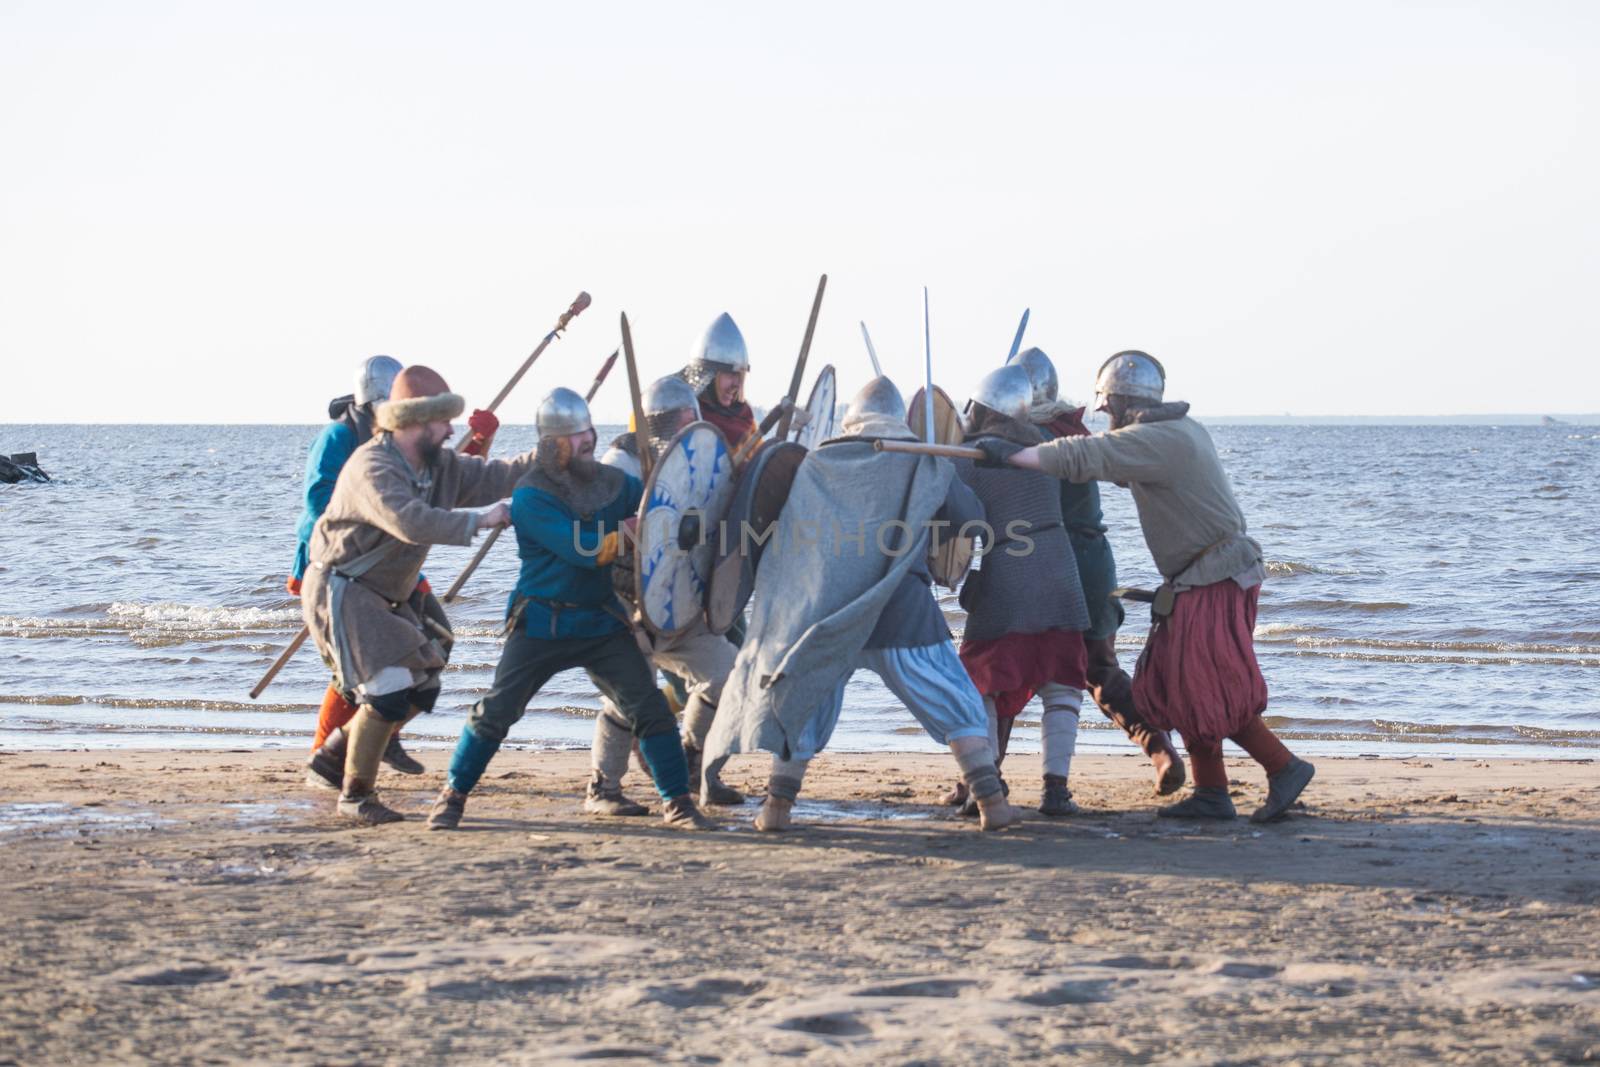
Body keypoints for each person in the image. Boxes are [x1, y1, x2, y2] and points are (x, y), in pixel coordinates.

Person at [978, 351, 1314, 822]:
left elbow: (1087, 455)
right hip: (1197, 577)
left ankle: (1284, 767)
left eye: (1108, 408)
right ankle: (1212, 792)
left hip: (1214, 576)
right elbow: (1109, 462)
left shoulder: (1158, 439)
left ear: (1119, 402)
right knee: (1182, 682)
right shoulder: (1170, 435)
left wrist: (1011, 454)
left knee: (1212, 686)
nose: (1104, 417)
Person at [706, 377, 1019, 832]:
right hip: (901, 611)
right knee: (957, 704)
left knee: (805, 705)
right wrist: (933, 493)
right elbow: (970, 518)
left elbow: (796, 546)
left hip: (829, 614)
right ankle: (993, 806)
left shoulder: (817, 464)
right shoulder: (920, 462)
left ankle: (776, 810)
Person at [427, 387, 717, 832]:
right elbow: (585, 550)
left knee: (649, 708)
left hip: (600, 619)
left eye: (588, 432)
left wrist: (684, 507)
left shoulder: (614, 483)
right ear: (550, 443)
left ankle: (678, 804)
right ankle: (453, 796)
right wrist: (632, 527)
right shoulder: (531, 497)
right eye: (574, 436)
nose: (587, 441)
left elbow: (663, 503)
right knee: (498, 711)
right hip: (542, 622)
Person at [300, 366, 527, 825]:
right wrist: (482, 520)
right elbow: (409, 520)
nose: (451, 431)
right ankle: (356, 795)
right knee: (386, 691)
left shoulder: (437, 465)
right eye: (443, 422)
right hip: (343, 591)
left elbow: (493, 475)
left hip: (390, 591)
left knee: (425, 679)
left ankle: (333, 757)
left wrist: (554, 457)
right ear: (416, 423)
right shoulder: (372, 465)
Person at [1006, 346, 1185, 796]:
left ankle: (981, 778)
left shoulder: (1017, 438)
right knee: (1100, 670)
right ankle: (1159, 751)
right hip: (1090, 561)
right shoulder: (1076, 429)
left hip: (1041, 562)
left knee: (1004, 670)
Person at [588, 375, 744, 814]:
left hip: (679, 598)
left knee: (726, 672)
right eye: (679, 420)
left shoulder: (697, 460)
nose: (688, 426)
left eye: (691, 418)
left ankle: (693, 764)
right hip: (622, 603)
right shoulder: (620, 464)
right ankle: (603, 789)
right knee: (630, 693)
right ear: (655, 424)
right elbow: (591, 537)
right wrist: (626, 532)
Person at [951, 365, 1091, 816]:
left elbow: (947, 510)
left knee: (980, 684)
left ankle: (985, 785)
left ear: (981, 410)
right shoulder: (1044, 448)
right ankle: (1056, 789)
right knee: (1062, 685)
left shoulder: (971, 457)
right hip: (1060, 566)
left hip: (1010, 570)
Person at [681, 313, 758, 452]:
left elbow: (760, 466)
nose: (736, 384)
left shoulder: (744, 419)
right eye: (730, 374)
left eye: (739, 375)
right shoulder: (684, 417)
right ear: (708, 376)